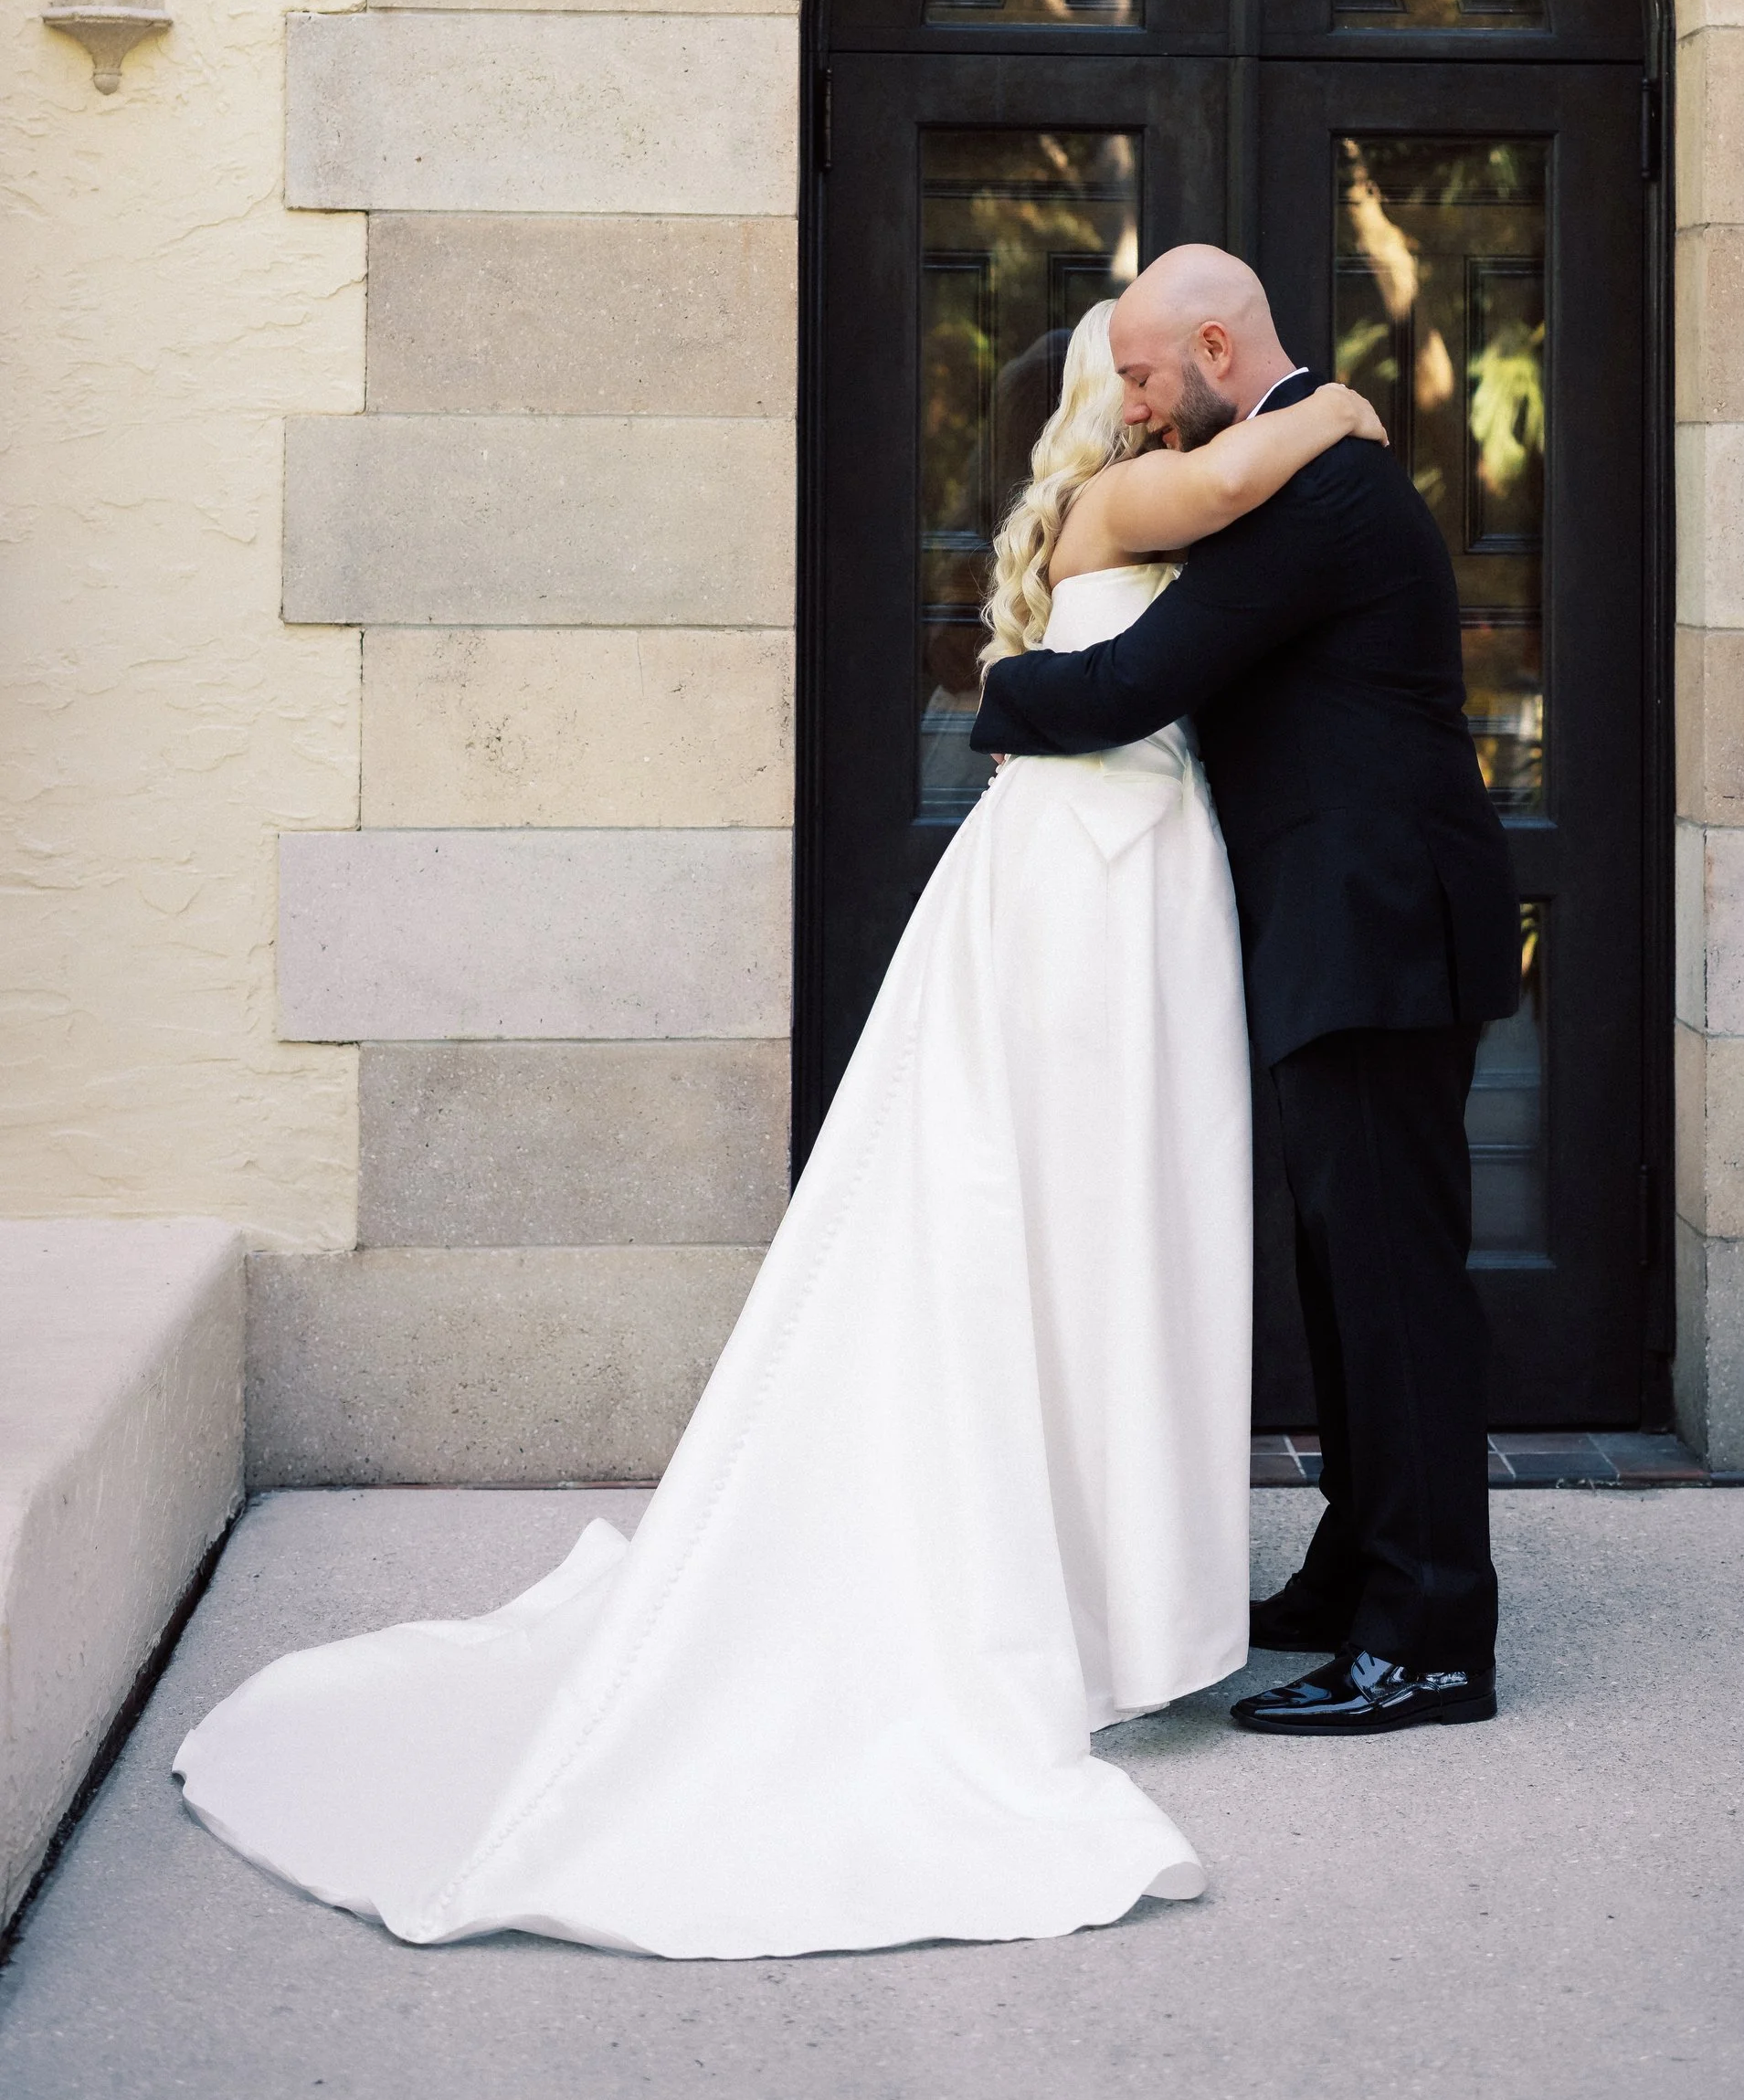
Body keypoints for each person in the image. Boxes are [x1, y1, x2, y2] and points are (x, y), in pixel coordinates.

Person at [171, 305, 1384, 1958]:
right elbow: (1255, 466)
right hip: (1084, 885)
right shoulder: (1125, 501)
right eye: (1150, 380)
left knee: (1116, 1218)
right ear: (1124, 396)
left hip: (1141, 872)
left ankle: (1103, 1588)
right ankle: (1046, 1597)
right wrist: (1346, 406)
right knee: (1052, 1211)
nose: (1169, 405)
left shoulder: (1147, 500)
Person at [971, 244, 1519, 1738]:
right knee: (1353, 1277)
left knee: (1397, 1289)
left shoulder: (1323, 491)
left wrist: (1003, 701)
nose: (1131, 404)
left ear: (1217, 347)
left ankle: (1430, 1640)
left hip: (1379, 929)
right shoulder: (1297, 465)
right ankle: (1359, 1570)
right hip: (1346, 930)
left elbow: (1148, 677)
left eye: (1144, 373)